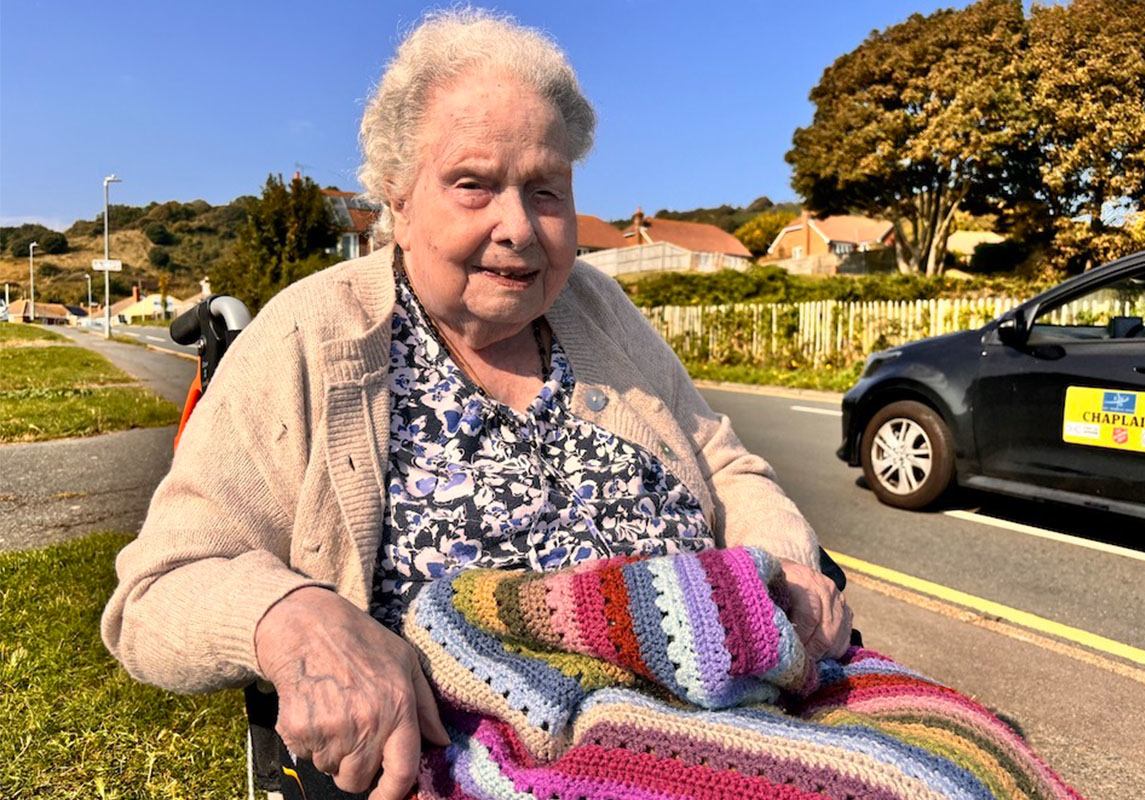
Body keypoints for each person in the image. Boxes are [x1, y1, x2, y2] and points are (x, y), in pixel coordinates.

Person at [102, 10, 851, 799]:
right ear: (399, 197)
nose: (518, 228)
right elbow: (158, 589)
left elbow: (723, 461)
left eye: (546, 191)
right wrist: (295, 620)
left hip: (729, 714)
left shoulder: (598, 308)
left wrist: (785, 561)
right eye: (474, 185)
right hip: (491, 769)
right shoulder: (309, 335)